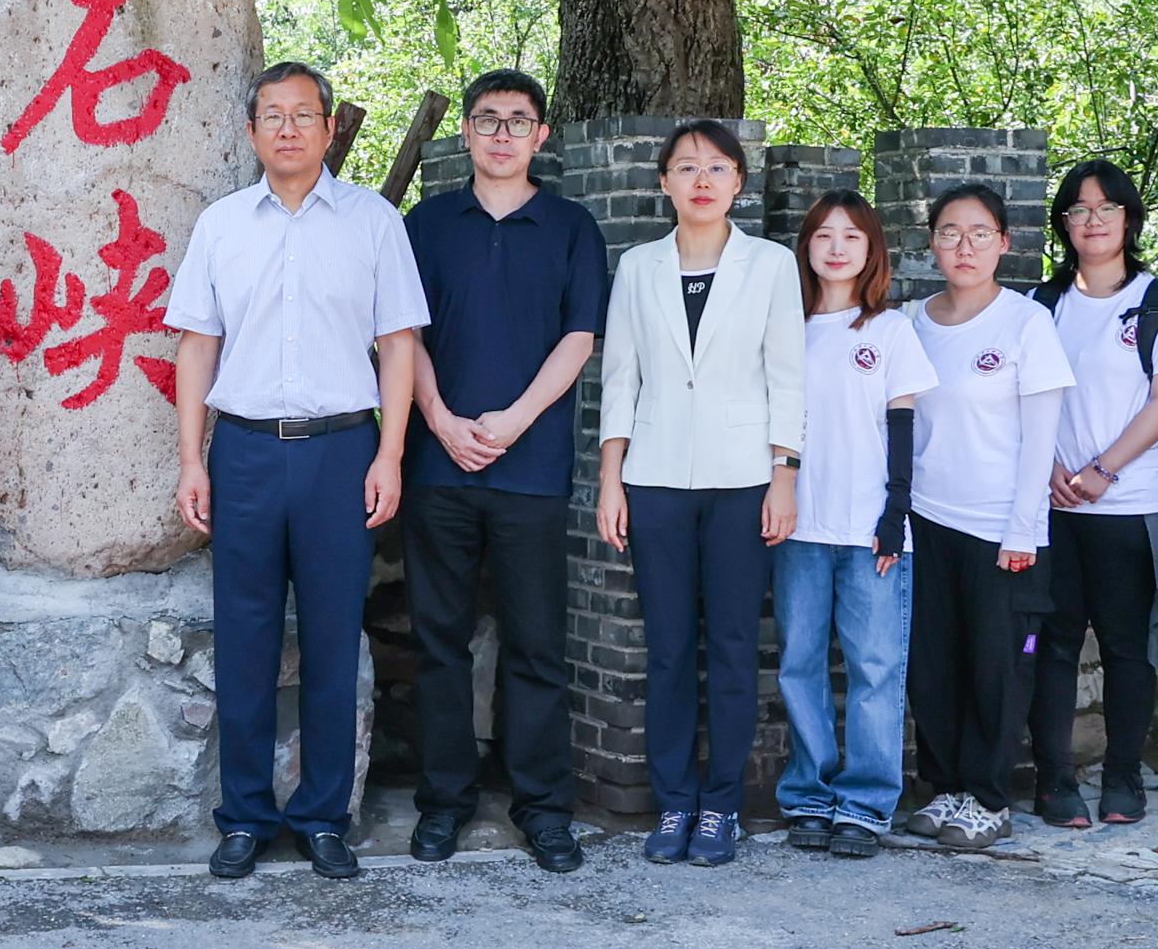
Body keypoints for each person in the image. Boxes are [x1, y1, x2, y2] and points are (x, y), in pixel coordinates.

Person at [172, 62, 430, 883]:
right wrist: (191, 458)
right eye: (273, 116)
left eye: (303, 114)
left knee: (331, 637)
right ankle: (246, 816)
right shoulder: (221, 226)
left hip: (340, 452)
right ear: (252, 132)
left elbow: (398, 345)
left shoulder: (373, 222)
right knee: (244, 639)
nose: (288, 129)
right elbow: (197, 346)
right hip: (245, 452)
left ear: (327, 128)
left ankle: (322, 816)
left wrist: (389, 454)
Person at [399, 68, 608, 874]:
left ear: (540, 135)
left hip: (532, 469)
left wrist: (515, 420)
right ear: (467, 132)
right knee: (439, 642)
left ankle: (544, 809)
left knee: (535, 645)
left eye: (519, 120)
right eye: (488, 119)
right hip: (438, 463)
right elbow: (402, 335)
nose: (502, 134)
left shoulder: (570, 226)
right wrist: (441, 420)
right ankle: (444, 804)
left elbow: (580, 337)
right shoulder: (426, 225)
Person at [596, 119, 802, 868]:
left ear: (738, 181)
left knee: (737, 647)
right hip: (654, 479)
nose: (702, 180)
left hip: (743, 479)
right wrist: (611, 478)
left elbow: (787, 376)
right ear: (665, 183)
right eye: (686, 167)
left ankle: (721, 807)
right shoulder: (638, 267)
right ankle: (675, 801)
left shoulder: (771, 265)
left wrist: (784, 474)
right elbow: (620, 377)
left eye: (717, 167)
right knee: (669, 648)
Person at [893, 184, 1075, 853]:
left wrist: (1023, 528)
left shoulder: (1026, 323)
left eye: (979, 234)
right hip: (926, 520)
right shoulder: (910, 322)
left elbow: (1040, 438)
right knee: (933, 665)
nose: (963, 247)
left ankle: (989, 798)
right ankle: (944, 787)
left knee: (998, 667)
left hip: (1001, 528)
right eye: (949, 233)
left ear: (1004, 242)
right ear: (932, 243)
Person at [1027, 159, 1158, 830]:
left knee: (1129, 647)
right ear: (1063, 224)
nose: (1093, 220)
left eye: (1106, 208)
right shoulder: (1040, 306)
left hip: (1132, 505)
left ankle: (1124, 775)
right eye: (1078, 209)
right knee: (1053, 645)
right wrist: (1047, 467)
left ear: (1129, 218)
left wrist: (1103, 469)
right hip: (1053, 506)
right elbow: (1021, 397)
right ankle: (1054, 780)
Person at [773, 190, 931, 858]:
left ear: (872, 251)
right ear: (805, 246)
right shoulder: (783, 326)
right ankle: (809, 794)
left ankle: (865, 805)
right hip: (798, 526)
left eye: (852, 237)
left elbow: (903, 428)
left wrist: (896, 512)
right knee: (799, 664)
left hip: (871, 531)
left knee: (874, 667)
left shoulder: (889, 330)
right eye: (823, 235)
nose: (836, 248)